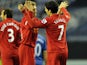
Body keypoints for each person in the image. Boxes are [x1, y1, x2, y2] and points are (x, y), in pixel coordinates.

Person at [23, 1, 71, 65]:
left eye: (46, 9)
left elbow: (33, 24)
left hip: (54, 52)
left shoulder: (48, 20)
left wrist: (25, 12)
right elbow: (68, 15)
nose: (45, 11)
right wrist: (62, 8)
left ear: (49, 10)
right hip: (64, 51)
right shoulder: (64, 18)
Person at [18, 1, 38, 65]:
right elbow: (31, 25)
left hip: (25, 47)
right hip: (27, 48)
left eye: (35, 9)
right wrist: (27, 11)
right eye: (33, 9)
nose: (35, 10)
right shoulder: (32, 20)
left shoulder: (25, 19)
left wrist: (26, 11)